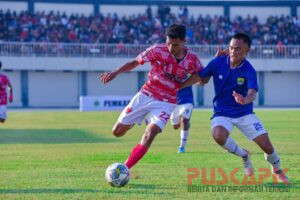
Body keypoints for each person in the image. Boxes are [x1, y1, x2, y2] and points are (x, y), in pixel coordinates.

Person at [181, 33, 290, 184]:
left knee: (267, 146)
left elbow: (253, 92)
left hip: (244, 113)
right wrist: (179, 87)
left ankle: (277, 170)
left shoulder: (248, 69)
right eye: (231, 48)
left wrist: (245, 99)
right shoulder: (218, 62)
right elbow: (201, 78)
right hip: (222, 113)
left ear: (247, 50)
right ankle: (244, 155)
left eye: (238, 49)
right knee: (218, 135)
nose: (233, 51)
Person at [99, 24, 203, 170]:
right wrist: (115, 73)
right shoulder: (157, 50)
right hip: (146, 94)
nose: (170, 48)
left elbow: (201, 75)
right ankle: (133, 121)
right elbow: (135, 62)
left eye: (175, 45)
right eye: (168, 43)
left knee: (150, 133)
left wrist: (183, 85)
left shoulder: (192, 59)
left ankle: (125, 168)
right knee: (117, 132)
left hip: (166, 102)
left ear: (184, 41)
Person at [170, 86, 194, 153]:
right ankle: (187, 124)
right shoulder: (171, 75)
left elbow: (196, 77)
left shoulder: (189, 74)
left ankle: (182, 147)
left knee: (184, 120)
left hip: (187, 101)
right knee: (175, 126)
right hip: (174, 102)